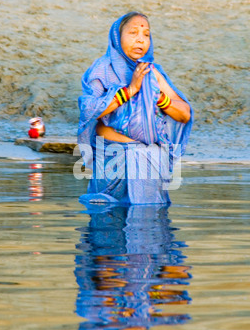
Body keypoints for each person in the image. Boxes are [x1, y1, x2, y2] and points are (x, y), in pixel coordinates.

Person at [77, 12, 194, 205]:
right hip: (112, 158)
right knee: (109, 218)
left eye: (146, 34)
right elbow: (89, 110)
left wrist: (159, 98)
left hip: (149, 156)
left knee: (148, 214)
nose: (141, 39)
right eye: (133, 32)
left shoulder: (150, 71)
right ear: (117, 37)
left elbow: (184, 114)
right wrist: (130, 90)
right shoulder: (101, 70)